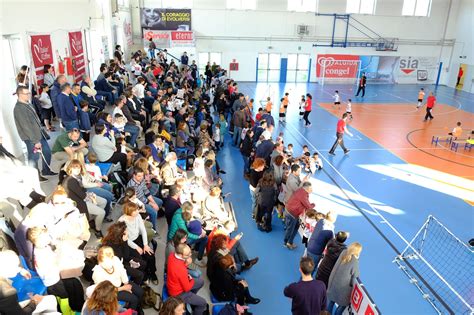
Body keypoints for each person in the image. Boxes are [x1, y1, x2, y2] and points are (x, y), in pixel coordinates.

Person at [13, 85, 56, 181]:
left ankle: (46, 170)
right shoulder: (19, 109)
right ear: (20, 94)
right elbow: (26, 127)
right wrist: (35, 141)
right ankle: (35, 176)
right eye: (26, 93)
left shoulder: (27, 104)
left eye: (28, 93)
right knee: (34, 157)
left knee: (47, 152)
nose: (29, 95)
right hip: (31, 138)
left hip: (39, 134)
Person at [62, 159, 106, 238]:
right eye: (75, 168)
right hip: (78, 203)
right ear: (70, 168)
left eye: (79, 168)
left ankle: (94, 220)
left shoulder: (77, 177)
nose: (77, 170)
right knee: (102, 212)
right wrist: (92, 198)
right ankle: (97, 229)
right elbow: (83, 196)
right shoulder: (70, 181)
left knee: (104, 201)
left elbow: (83, 191)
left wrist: (90, 194)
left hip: (83, 197)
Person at [0, 250, 54, 314]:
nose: (16, 270)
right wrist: (34, 302)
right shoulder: (6, 292)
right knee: (51, 299)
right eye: (15, 266)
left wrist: (20, 269)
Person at [92, 246, 144, 313]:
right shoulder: (97, 273)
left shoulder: (115, 259)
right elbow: (105, 292)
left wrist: (126, 282)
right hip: (111, 292)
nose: (109, 264)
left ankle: (137, 307)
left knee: (140, 292)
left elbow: (122, 270)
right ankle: (131, 312)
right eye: (105, 262)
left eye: (110, 260)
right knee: (134, 299)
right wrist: (123, 288)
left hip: (120, 284)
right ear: (100, 261)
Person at [118, 202, 158, 284]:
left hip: (137, 239)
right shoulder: (121, 221)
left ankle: (152, 273)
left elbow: (143, 230)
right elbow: (125, 239)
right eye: (135, 210)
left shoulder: (138, 216)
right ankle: (145, 276)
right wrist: (136, 247)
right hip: (128, 243)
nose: (138, 211)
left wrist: (145, 245)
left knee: (150, 255)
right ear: (129, 212)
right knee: (140, 260)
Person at [167, 244, 208, 315]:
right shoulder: (181, 270)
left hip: (173, 284)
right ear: (180, 255)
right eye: (188, 254)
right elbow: (187, 288)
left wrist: (186, 264)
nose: (190, 255)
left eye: (190, 252)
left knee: (200, 282)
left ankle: (191, 299)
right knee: (203, 303)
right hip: (178, 294)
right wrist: (191, 279)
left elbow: (179, 268)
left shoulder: (172, 255)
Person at [327, 243, 363, 315]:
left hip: (334, 282)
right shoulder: (354, 262)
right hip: (343, 289)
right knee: (342, 306)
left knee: (331, 302)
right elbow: (356, 276)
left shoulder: (344, 252)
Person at [127, 166, 162, 231]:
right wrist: (152, 204)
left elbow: (146, 191)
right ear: (134, 176)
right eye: (139, 176)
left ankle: (151, 218)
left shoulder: (141, 180)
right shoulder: (132, 185)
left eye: (142, 175)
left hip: (143, 197)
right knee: (153, 212)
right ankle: (153, 229)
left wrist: (153, 202)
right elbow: (139, 199)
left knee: (159, 202)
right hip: (137, 202)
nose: (141, 178)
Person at [284, 182, 315, 250]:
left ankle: (289, 241)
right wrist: (313, 205)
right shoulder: (303, 195)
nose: (312, 190)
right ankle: (287, 243)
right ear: (307, 189)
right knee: (291, 229)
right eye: (311, 188)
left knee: (295, 226)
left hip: (290, 210)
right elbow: (309, 206)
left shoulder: (301, 191)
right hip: (292, 213)